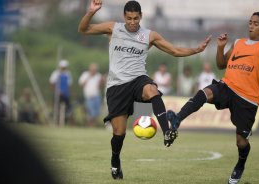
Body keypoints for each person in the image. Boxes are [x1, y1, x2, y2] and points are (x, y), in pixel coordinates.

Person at [78, 0, 211, 180]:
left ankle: (166, 132)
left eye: (136, 18)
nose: (132, 22)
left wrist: (197, 49)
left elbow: (175, 51)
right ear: (124, 17)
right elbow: (83, 29)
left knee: (152, 91)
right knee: (119, 133)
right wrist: (91, 11)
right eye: (129, 18)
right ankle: (115, 161)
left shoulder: (149, 35)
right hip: (116, 86)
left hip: (138, 79)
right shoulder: (113, 28)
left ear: (141, 16)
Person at [166, 12, 259, 184]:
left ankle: (240, 165)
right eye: (250, 22)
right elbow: (220, 65)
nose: (251, 26)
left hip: (247, 99)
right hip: (227, 86)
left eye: (256, 24)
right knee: (205, 92)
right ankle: (177, 119)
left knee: (241, 142)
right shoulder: (239, 43)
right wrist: (220, 47)